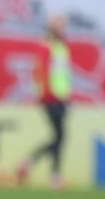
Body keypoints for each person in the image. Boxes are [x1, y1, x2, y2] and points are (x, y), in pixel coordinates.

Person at [17, 14, 72, 189]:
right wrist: (42, 95)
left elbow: (62, 75)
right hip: (51, 97)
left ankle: (34, 165)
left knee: (59, 137)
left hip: (61, 97)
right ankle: (49, 173)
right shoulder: (47, 47)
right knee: (59, 136)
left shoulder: (60, 47)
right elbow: (39, 72)